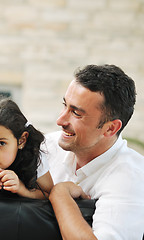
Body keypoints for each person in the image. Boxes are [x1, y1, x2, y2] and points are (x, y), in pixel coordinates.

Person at [45, 64, 144, 239]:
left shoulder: (131, 177)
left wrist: (60, 194)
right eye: (64, 105)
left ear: (110, 128)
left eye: (76, 113)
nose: (60, 120)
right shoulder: (47, 146)